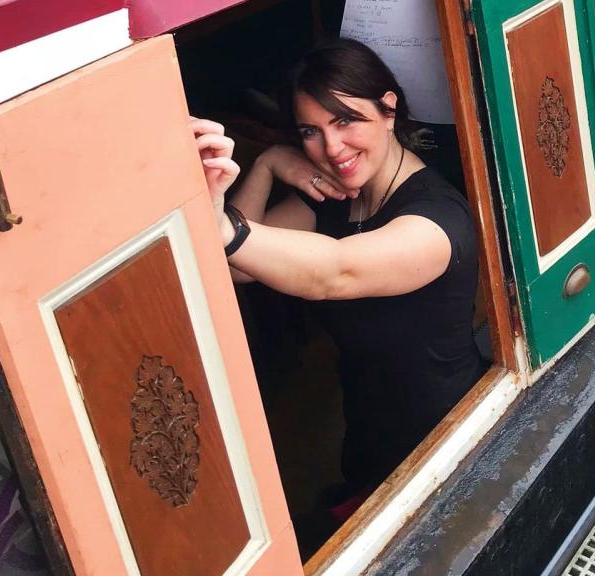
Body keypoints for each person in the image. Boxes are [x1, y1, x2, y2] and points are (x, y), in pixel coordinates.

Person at [193, 38, 486, 503]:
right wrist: (267, 165)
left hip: (445, 437)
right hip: (368, 425)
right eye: (310, 131)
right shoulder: (338, 196)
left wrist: (218, 224)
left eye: (345, 120)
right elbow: (241, 269)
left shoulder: (437, 220)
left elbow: (334, 271)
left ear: (389, 109)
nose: (331, 147)